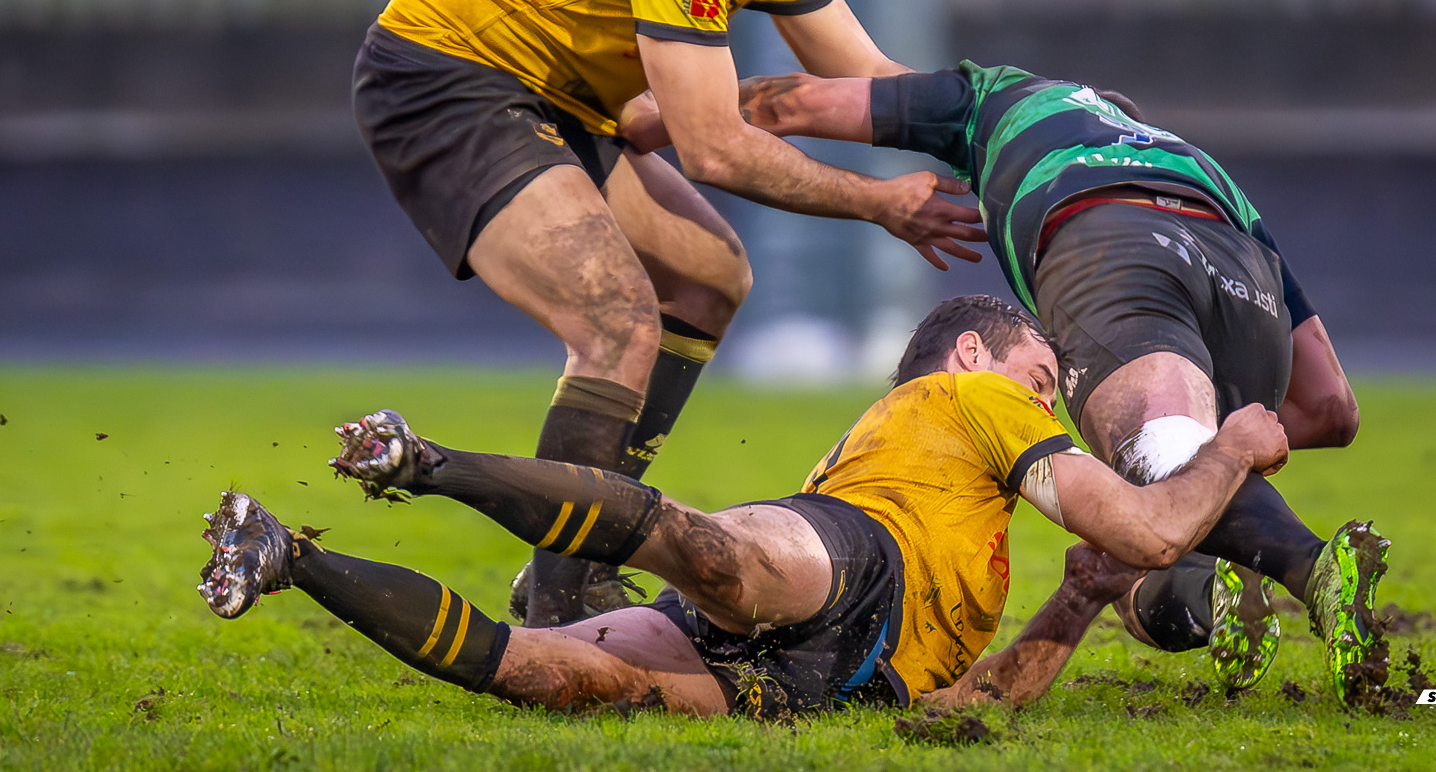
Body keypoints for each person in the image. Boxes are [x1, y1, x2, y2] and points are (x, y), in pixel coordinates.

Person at [352, 0, 984, 627]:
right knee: (616, 317)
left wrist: (1005, 122)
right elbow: (715, 150)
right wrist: (880, 202)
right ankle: (562, 613)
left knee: (710, 277)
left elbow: (872, 79)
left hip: (558, 96)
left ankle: (569, 565)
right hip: (446, 78)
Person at [196, 295, 1290, 717]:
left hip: (836, 679)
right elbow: (1150, 528)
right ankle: (423, 461)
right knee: (713, 554)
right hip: (856, 558)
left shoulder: (980, 525)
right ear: (971, 354)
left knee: (550, 674)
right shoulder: (962, 399)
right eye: (1042, 376)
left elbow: (976, 706)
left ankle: (291, 557)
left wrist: (1081, 602)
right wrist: (1233, 443)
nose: (1050, 400)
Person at [692, 62, 1388, 699]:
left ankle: (1310, 569)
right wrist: (1221, 462)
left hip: (1106, 240)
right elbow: (1332, 408)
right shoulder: (1199, 163)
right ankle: (1229, 560)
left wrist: (653, 107)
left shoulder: (991, 97)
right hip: (1245, 276)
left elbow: (788, 103)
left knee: (1151, 465)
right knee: (1168, 489)